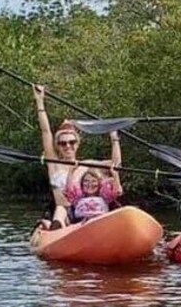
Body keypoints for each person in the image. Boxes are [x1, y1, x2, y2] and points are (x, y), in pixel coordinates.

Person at [33, 84, 120, 229]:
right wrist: (40, 101)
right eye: (63, 143)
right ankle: (55, 229)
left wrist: (114, 138)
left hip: (86, 213)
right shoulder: (53, 163)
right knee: (60, 209)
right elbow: (45, 132)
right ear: (58, 146)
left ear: (77, 144)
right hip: (64, 216)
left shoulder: (87, 165)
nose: (68, 146)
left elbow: (116, 164)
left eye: (72, 142)